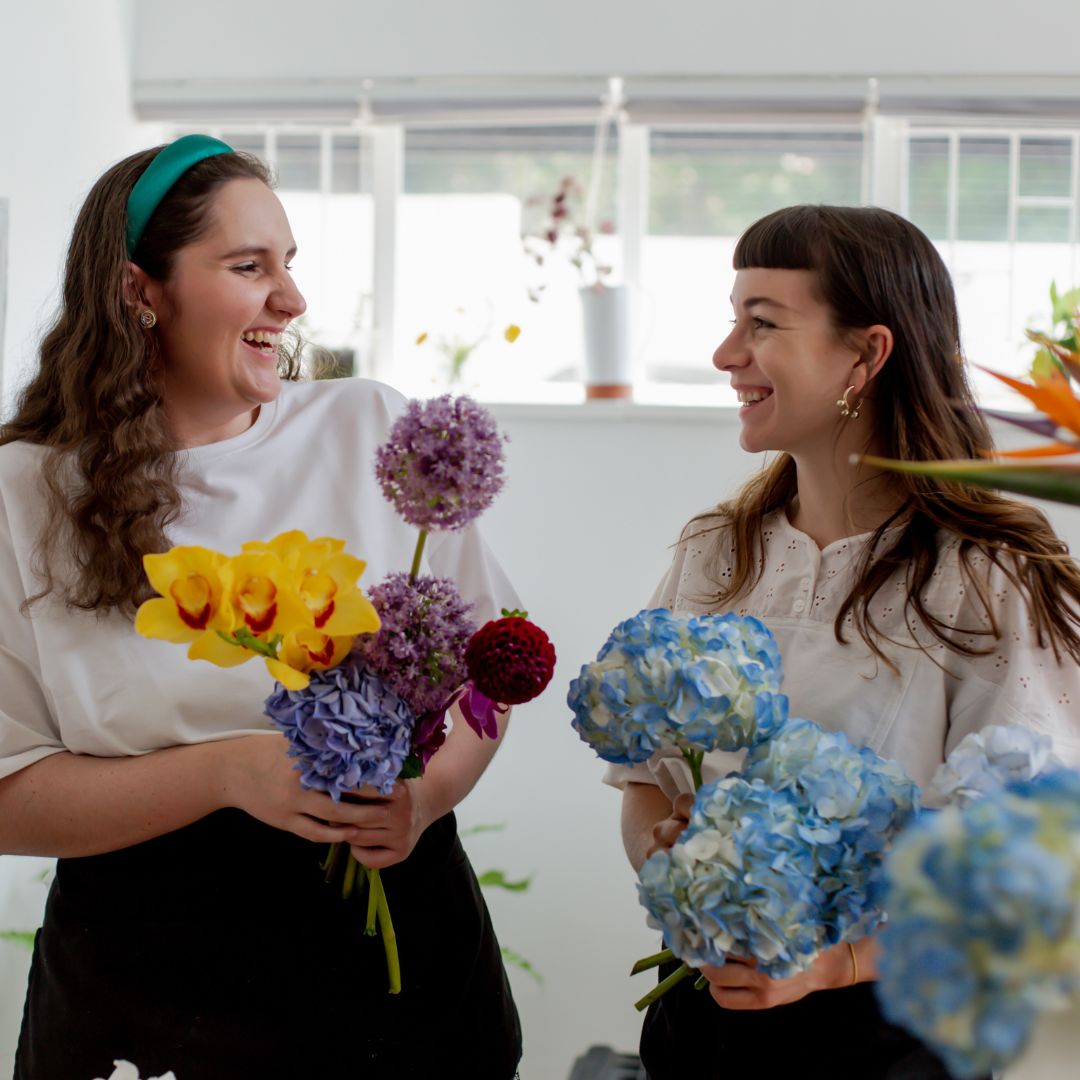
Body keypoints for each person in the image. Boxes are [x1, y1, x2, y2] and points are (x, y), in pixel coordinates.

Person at [0, 136, 521, 1079]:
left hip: (403, 972)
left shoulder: (368, 425)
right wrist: (231, 773)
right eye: (249, 267)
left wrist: (424, 797)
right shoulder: (23, 494)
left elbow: (488, 677)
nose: (291, 300)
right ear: (139, 291)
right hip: (145, 997)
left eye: (290, 265)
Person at [606, 204, 1080, 1080]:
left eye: (763, 323)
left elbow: (1032, 869)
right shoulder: (716, 551)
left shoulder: (989, 576)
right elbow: (644, 786)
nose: (725, 354)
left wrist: (837, 963)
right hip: (701, 1021)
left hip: (890, 1037)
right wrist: (679, 866)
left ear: (866, 354)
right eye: (732, 318)